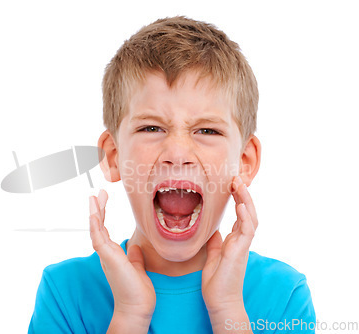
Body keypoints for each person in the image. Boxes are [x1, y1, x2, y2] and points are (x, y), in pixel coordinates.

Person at [28, 16, 315, 333]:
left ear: (244, 161)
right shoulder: (66, 292)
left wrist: (227, 311)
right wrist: (130, 315)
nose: (177, 154)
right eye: (151, 128)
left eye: (207, 130)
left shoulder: (285, 295)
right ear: (113, 156)